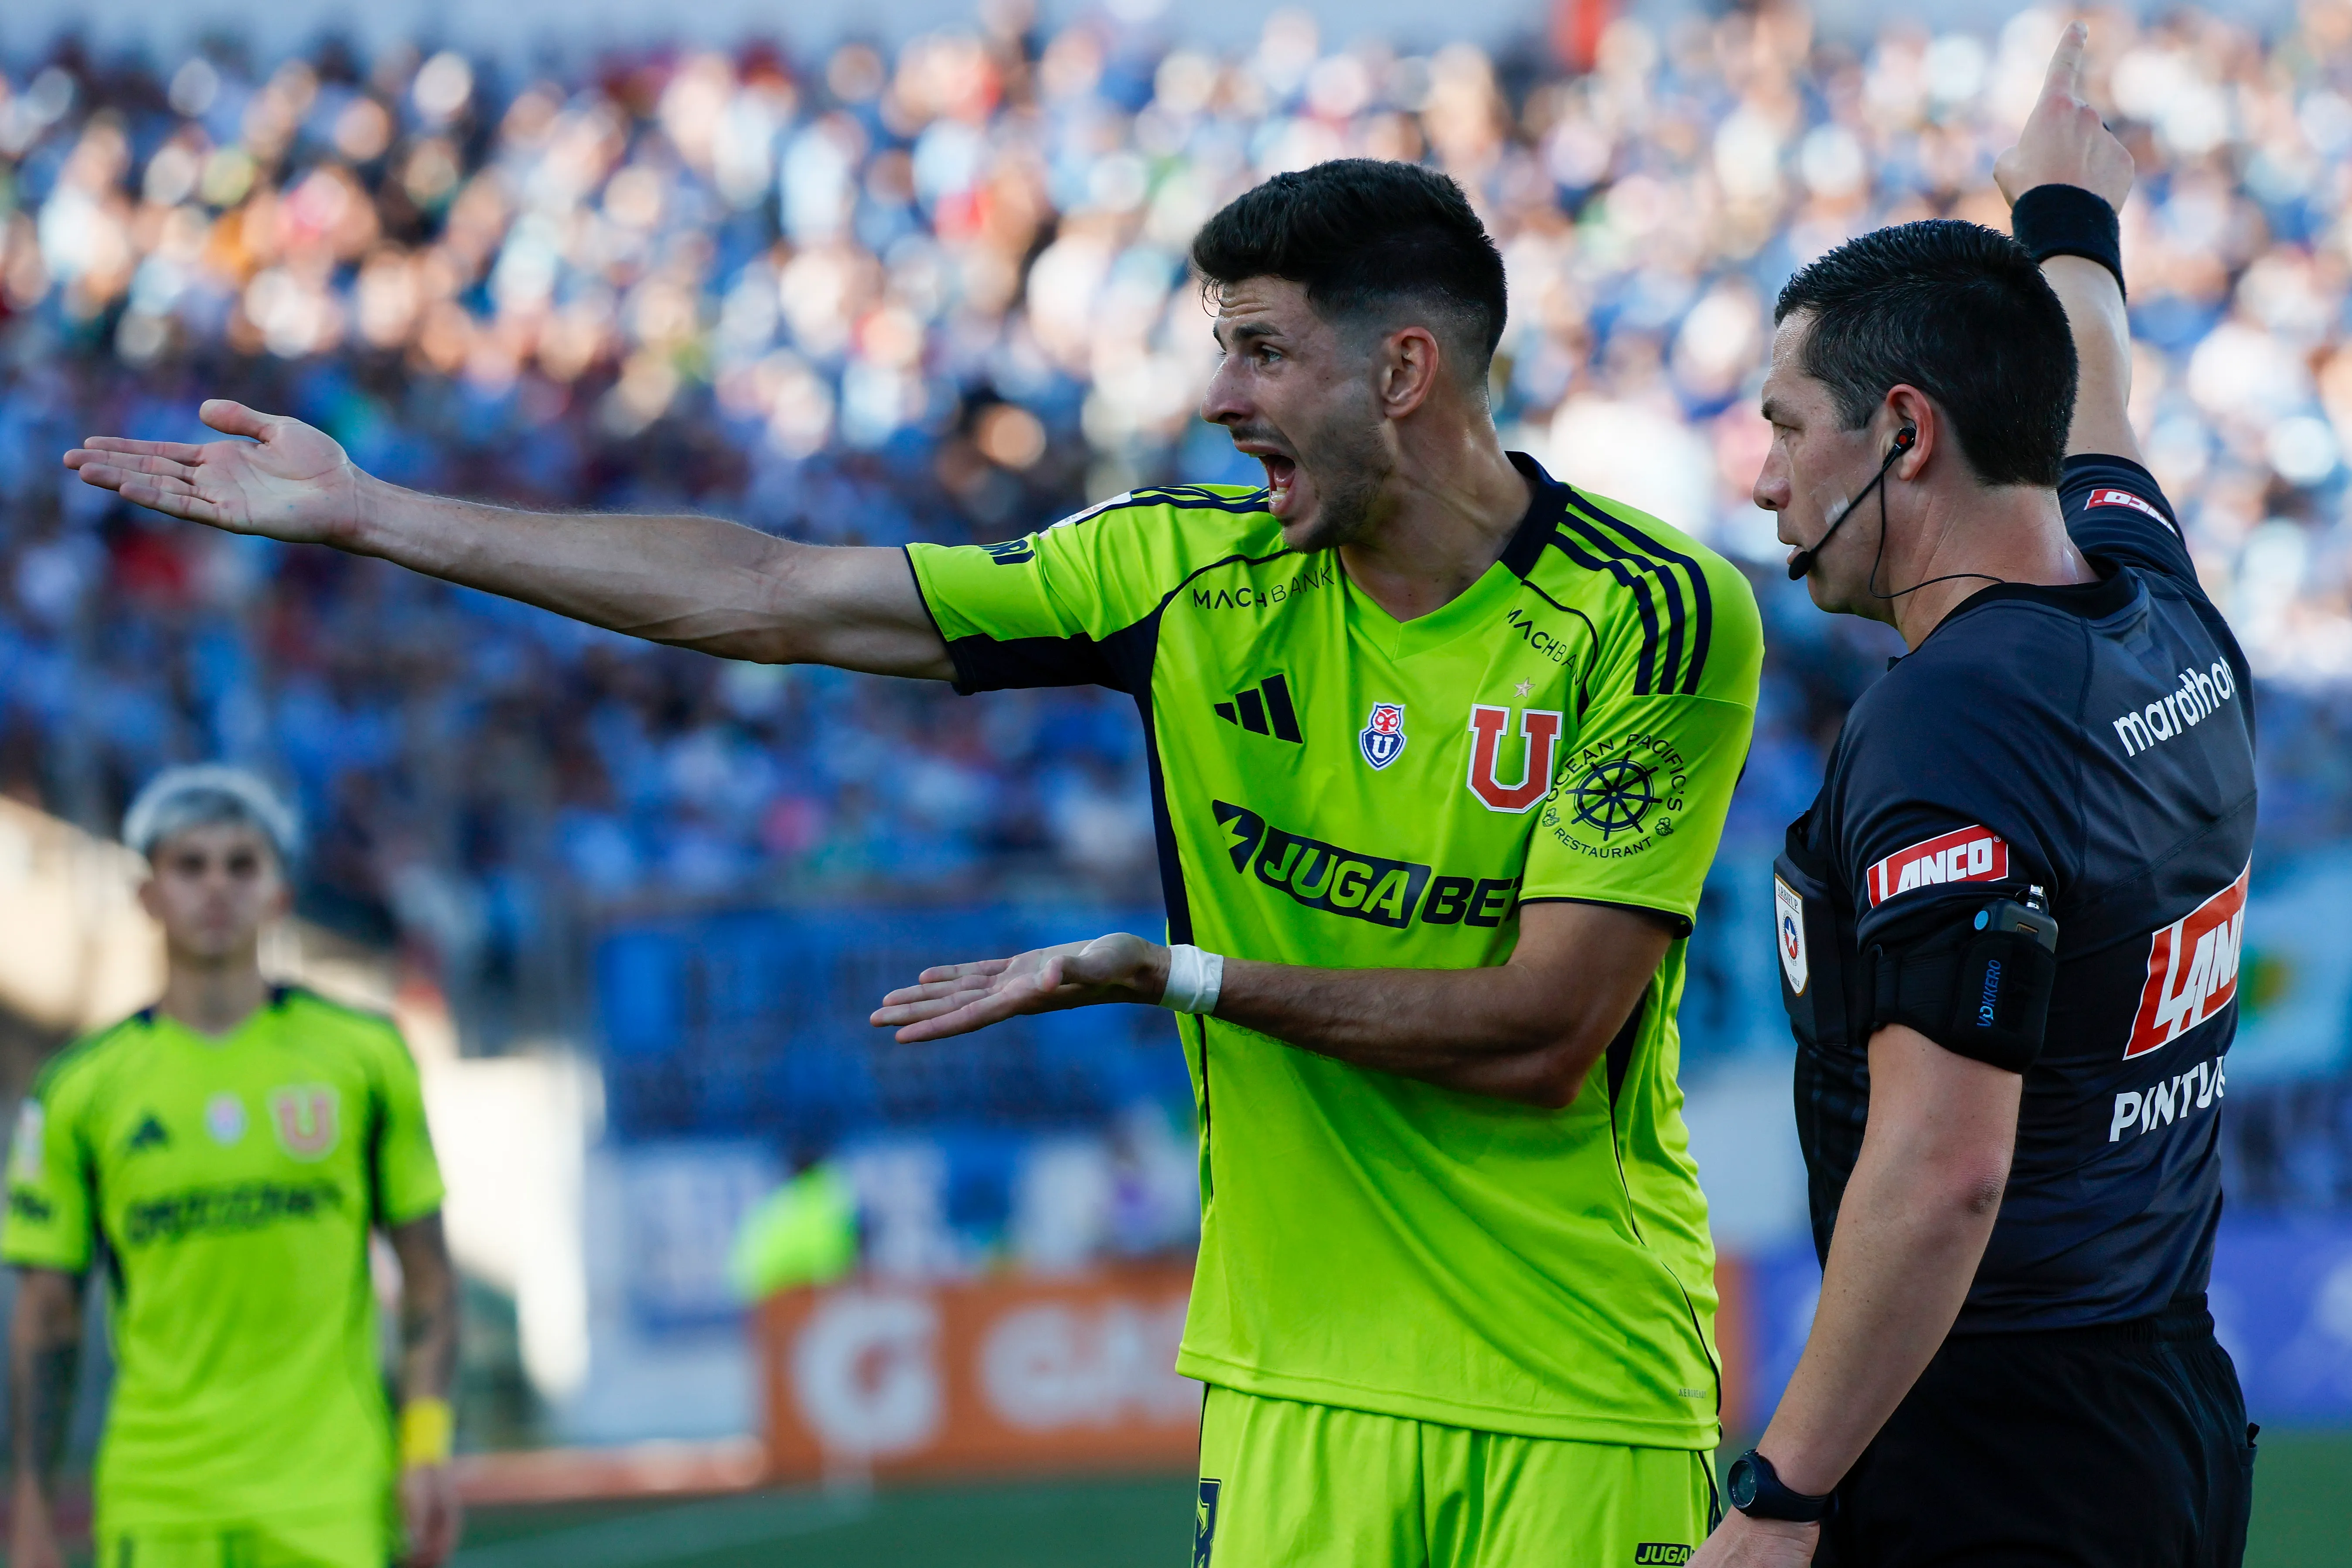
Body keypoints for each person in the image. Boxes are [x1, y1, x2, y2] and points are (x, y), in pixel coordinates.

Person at [65, 160, 1762, 1564]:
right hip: (1287, 1386)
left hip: (1577, 1378)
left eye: (1255, 351)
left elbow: (1548, 1033)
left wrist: (1169, 971)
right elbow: (769, 589)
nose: (1216, 396)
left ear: (1400, 373)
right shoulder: (1181, 574)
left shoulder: (1652, 614)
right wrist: (378, 518)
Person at [1693, 27, 2256, 1568]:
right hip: (2163, 1402)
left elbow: (1946, 1167)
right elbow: (2099, 396)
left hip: (1996, 1452)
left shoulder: (1952, 726)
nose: (1761, 483)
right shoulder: (2154, 597)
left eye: (1783, 427)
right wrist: (2066, 216)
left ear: (1903, 434)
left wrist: (1782, 1493)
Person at [5, 767, 461, 1568]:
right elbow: (48, 1316)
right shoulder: (79, 1090)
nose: (216, 887)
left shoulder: (364, 1057)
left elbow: (427, 1275)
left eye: (241, 865)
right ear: (148, 895)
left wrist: (425, 1445)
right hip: (160, 1499)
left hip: (330, 1501)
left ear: (280, 896)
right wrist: (33, 1512)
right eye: (190, 866)